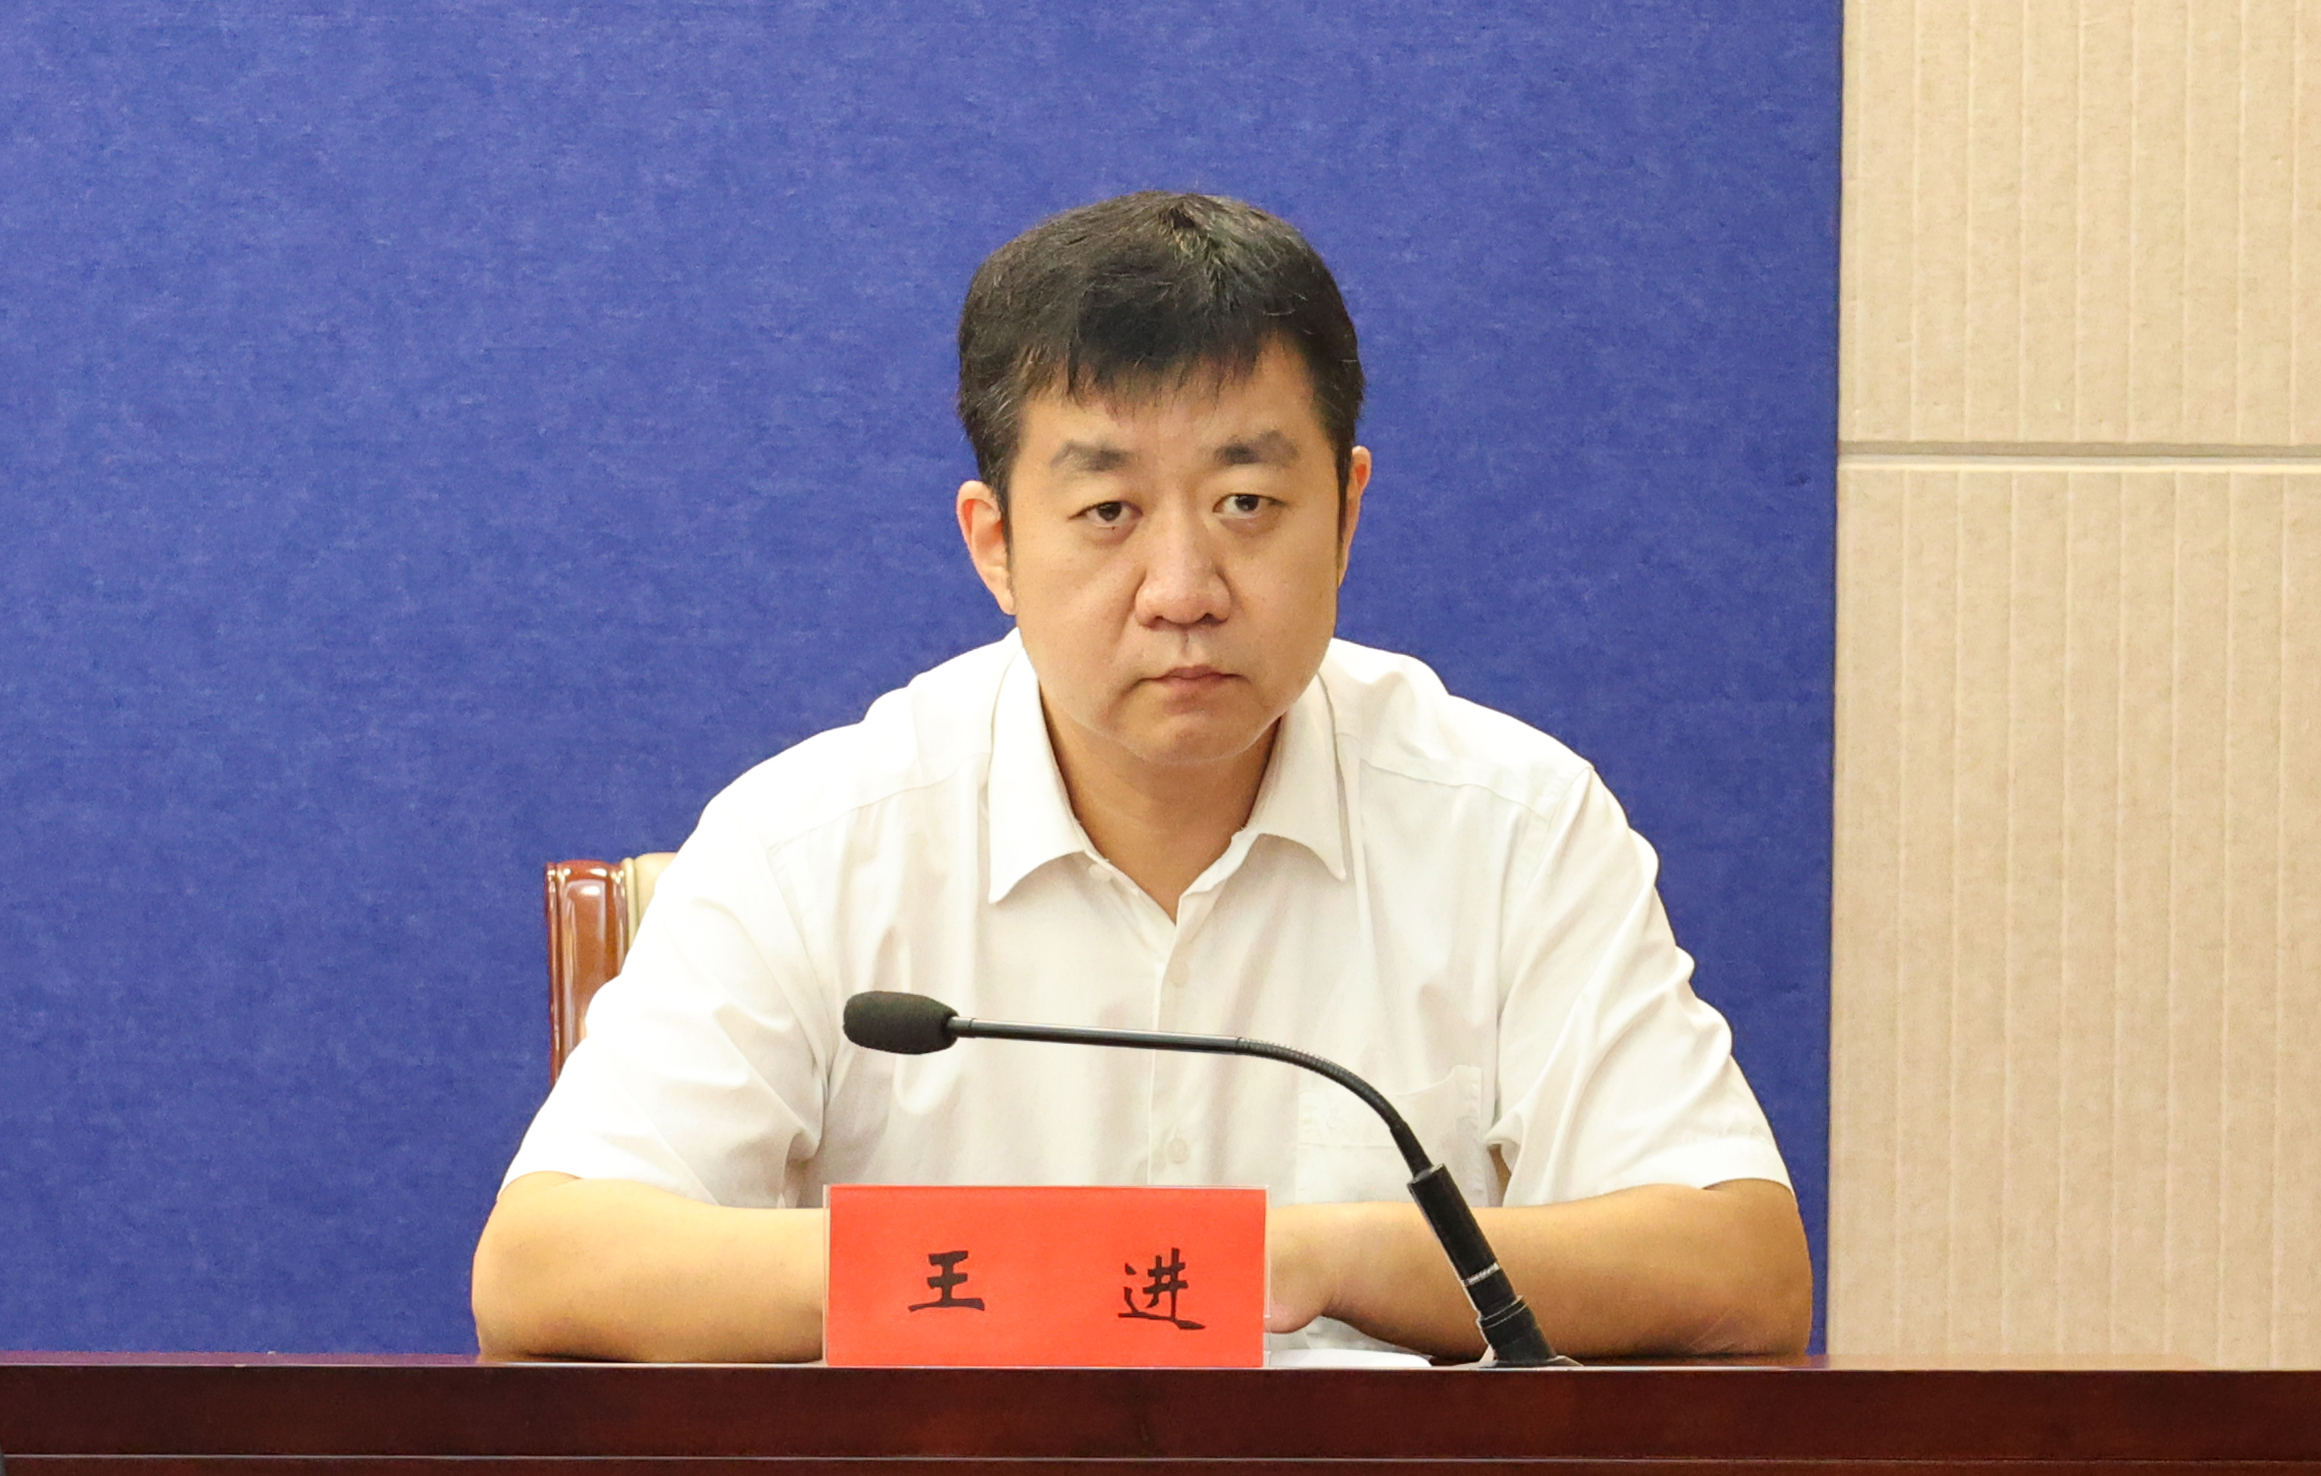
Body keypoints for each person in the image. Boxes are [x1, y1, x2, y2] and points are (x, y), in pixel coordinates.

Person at [471, 192, 1812, 1363]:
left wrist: (1306, 1259)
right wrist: (1047, 1274)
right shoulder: (812, 840)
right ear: (995, 543)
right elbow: (546, 1270)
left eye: (1246, 504)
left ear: (1346, 514)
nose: (1182, 589)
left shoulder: (1512, 823)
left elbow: (1736, 1271)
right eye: (1107, 512)